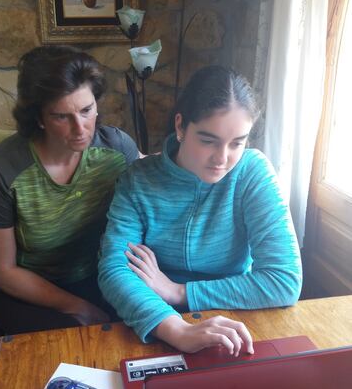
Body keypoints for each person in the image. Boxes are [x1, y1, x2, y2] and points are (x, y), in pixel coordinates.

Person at [99, 65, 302, 355]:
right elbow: (114, 268)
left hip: (236, 315)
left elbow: (284, 280)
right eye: (208, 140)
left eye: (237, 143)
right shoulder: (138, 179)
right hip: (154, 319)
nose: (222, 158)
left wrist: (179, 292)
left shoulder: (253, 172)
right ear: (180, 126)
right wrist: (177, 328)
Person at [0, 45, 139, 334]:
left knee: (133, 331)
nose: (81, 128)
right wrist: (77, 306)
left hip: (90, 273)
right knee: (59, 343)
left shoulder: (117, 150)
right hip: (20, 283)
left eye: (87, 110)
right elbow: (2, 270)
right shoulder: (2, 168)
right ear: (38, 118)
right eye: (61, 116)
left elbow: (157, 178)